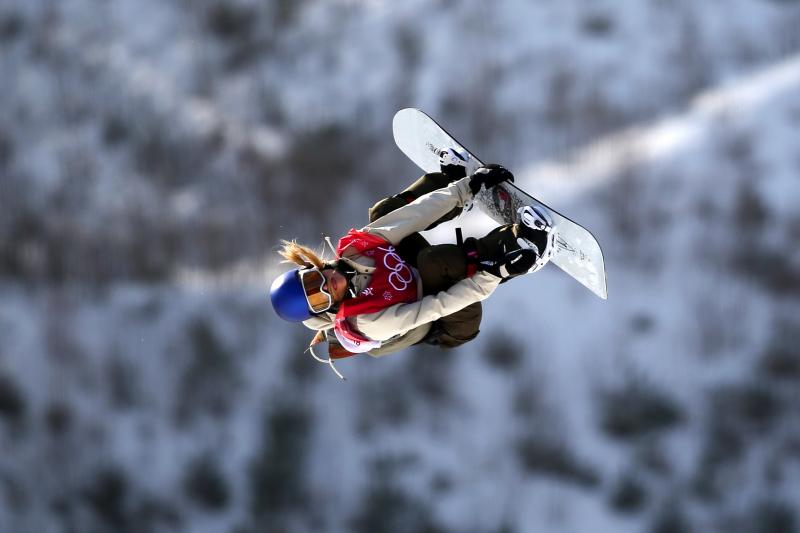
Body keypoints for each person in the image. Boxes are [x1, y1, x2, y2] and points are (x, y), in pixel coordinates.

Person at [269, 149, 554, 378]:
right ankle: (522, 244)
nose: (327, 285)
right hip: (450, 319)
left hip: (414, 273)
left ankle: (449, 177)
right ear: (327, 309)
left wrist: (468, 187)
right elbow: (439, 306)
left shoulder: (355, 250)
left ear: (312, 267)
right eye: (319, 298)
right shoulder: (367, 320)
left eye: (313, 280)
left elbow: (411, 217)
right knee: (435, 262)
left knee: (383, 213)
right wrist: (498, 272)